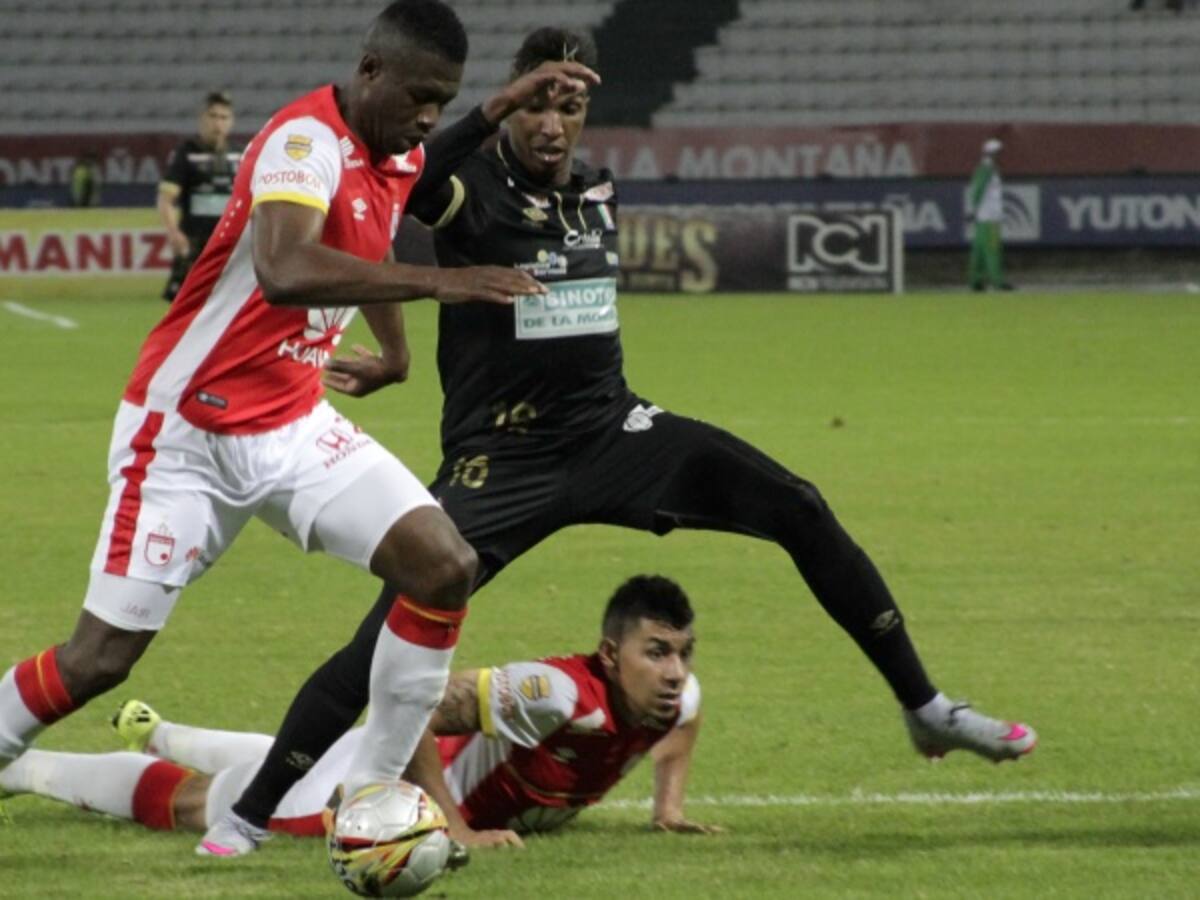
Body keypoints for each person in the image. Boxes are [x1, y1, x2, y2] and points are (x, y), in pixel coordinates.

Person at [218, 26, 1038, 857]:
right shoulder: (466, 183)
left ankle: (924, 706)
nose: (551, 123)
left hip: (616, 433)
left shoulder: (597, 192)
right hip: (502, 459)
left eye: (568, 105)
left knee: (796, 504)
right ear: (510, 102)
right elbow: (399, 189)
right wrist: (482, 122)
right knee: (386, 638)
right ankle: (248, 815)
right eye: (535, 101)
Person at [0, 0, 599, 860]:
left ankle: (375, 802)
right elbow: (286, 267)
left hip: (290, 424)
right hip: (186, 437)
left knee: (443, 565)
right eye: (420, 95)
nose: (430, 115)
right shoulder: (302, 143)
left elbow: (391, 216)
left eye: (446, 98)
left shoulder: (394, 147)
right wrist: (442, 286)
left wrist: (392, 350)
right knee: (100, 657)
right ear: (370, 73)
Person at [0, 576, 716, 847]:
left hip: (367, 758)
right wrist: (458, 831)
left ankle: (157, 730)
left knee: (269, 761)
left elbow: (681, 724)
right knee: (207, 807)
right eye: (655, 652)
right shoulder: (557, 695)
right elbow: (419, 704)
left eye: (681, 652)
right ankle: (24, 767)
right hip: (381, 787)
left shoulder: (674, 696)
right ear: (609, 651)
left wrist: (669, 808)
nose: (673, 671)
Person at [157, 91, 241, 301]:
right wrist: (173, 233)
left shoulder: (240, 155)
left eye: (224, 117)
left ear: (231, 122)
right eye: (212, 116)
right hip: (195, 244)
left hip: (230, 245)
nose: (218, 123)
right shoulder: (186, 154)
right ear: (202, 119)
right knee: (186, 307)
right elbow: (166, 199)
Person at [966, 138, 1013, 292]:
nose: (1001, 156)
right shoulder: (988, 170)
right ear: (993, 154)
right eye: (999, 153)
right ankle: (997, 281)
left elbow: (977, 190)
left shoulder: (984, 169)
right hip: (991, 217)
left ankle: (976, 281)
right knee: (992, 249)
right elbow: (978, 190)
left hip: (983, 217)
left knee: (979, 250)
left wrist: (974, 211)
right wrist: (973, 209)